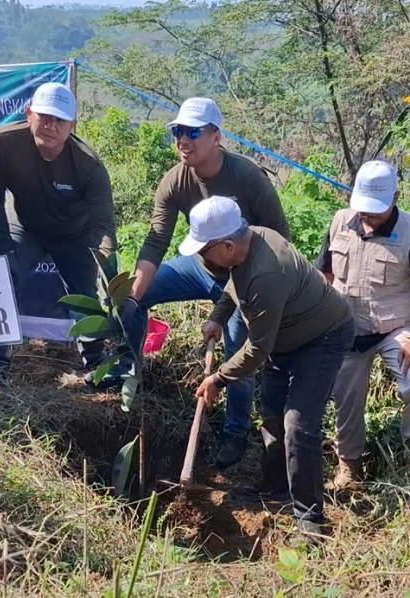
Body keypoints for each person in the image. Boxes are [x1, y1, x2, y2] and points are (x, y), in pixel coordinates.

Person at [116, 97, 291, 469]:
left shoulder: (247, 178)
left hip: (243, 279)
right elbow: (156, 241)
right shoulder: (174, 181)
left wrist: (248, 290)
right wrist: (133, 295)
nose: (183, 140)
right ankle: (130, 377)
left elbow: (279, 236)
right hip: (198, 269)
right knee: (136, 299)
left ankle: (235, 433)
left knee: (237, 351)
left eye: (193, 132)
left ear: (216, 136)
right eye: (178, 131)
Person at [186, 196, 354, 536]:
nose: (203, 258)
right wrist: (218, 317)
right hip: (285, 339)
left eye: (205, 250)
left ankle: (309, 515)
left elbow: (257, 349)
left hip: (322, 339)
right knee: (273, 414)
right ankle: (276, 487)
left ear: (227, 245)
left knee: (298, 424)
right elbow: (234, 287)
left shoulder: (266, 272)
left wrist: (218, 378)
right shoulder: (250, 241)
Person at [317, 160, 410, 490]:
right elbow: (326, 274)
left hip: (395, 329)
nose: (368, 216)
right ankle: (349, 466)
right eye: (363, 209)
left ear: (395, 198)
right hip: (347, 330)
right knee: (345, 397)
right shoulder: (340, 221)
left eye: (375, 211)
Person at [0, 82, 116, 372]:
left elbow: (103, 224)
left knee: (84, 297)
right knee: (0, 277)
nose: (50, 126)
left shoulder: (89, 165)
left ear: (72, 125)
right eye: (44, 116)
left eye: (60, 120)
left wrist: (108, 270)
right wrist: (4, 247)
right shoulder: (2, 142)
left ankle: (94, 365)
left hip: (73, 234)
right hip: (23, 225)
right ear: (29, 114)